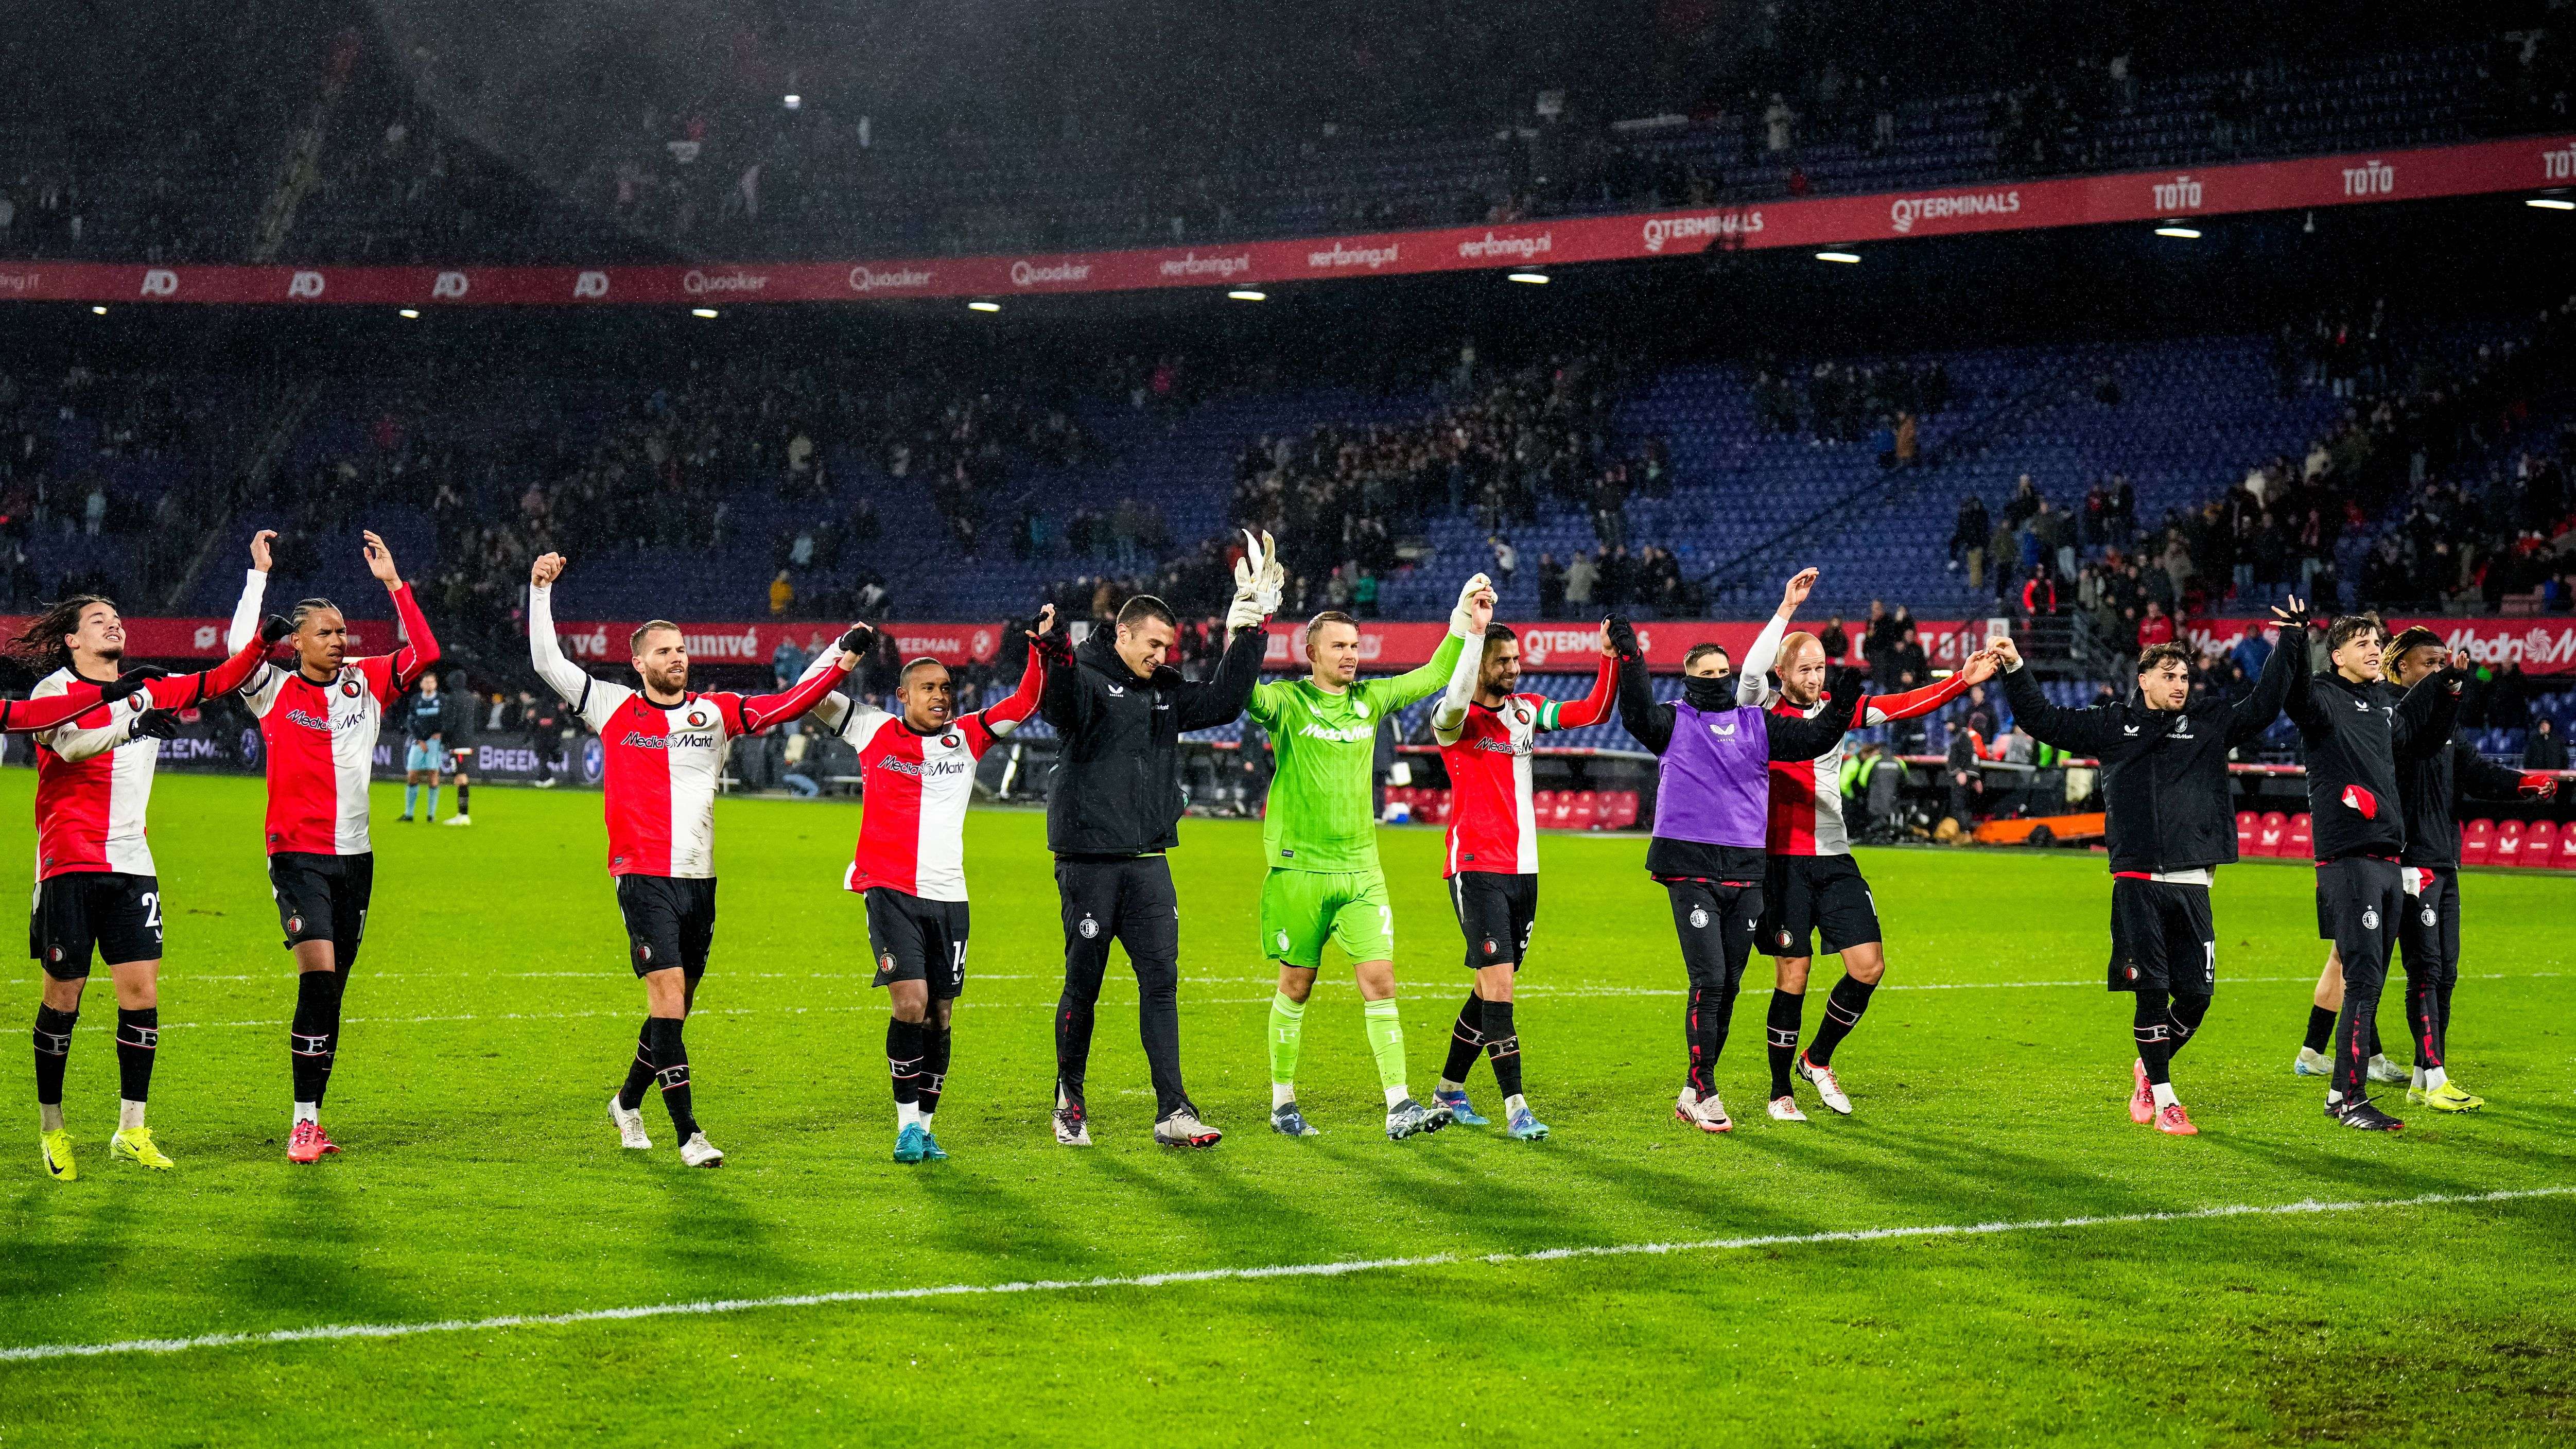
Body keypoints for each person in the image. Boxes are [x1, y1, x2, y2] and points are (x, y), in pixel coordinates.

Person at [526, 551, 857, 1169]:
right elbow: (548, 662)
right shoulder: (612, 706)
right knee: (669, 997)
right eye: (663, 651)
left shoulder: (718, 712)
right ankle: (689, 1134)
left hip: (700, 882)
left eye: (680, 649)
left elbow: (788, 703)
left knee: (673, 1013)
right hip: (643, 875)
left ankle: (627, 1102)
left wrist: (839, 656)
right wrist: (540, 590)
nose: (676, 657)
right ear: (639, 662)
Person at [1990, 601, 2303, 1136]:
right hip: (2136, 878)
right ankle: (2166, 1098)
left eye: (2184, 675)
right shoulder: (2116, 723)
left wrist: (2293, 640)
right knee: (2151, 990)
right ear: (2144, 679)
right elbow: (2043, 719)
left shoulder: (2207, 722)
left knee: (2197, 997)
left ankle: (2147, 1066)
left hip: (2192, 879)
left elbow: (2264, 705)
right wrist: (2017, 668)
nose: (2180, 683)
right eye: (2169, 675)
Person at [15, 597, 278, 1181]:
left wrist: (262, 645)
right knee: (64, 998)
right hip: (69, 861)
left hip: (133, 859)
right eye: (97, 620)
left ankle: (131, 1129)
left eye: (117, 617)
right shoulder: (52, 690)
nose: (114, 623)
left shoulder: (149, 688)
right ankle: (53, 1128)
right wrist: (130, 724)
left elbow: (218, 679)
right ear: (72, 641)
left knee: (142, 995)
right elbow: (70, 745)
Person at [1038, 532, 1275, 1148]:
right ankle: (1070, 1098)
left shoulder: (1163, 692)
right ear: (1123, 635)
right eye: (1153, 643)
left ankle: (1175, 1110)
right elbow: (1057, 705)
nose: (1161, 654)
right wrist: (1057, 655)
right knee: (1083, 984)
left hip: (1147, 861)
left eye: (1167, 646)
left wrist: (1249, 632)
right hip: (1089, 860)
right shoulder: (1086, 678)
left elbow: (1225, 701)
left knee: (1161, 984)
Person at [1735, 568, 1996, 1120]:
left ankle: (1818, 1058)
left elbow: (1902, 704)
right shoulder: (1758, 710)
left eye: (1820, 668)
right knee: (1794, 975)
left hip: (1835, 857)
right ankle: (1780, 1090)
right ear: (1783, 673)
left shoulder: (1836, 709)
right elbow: (1753, 666)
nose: (1814, 676)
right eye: (1804, 668)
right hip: (1782, 861)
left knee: (1868, 966)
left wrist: (1960, 682)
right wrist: (1786, 608)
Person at [797, 615, 1048, 1163]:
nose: (940, 697)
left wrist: (1037, 647)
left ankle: (928, 1129)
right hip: (889, 890)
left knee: (941, 1016)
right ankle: (906, 1126)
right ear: (902, 694)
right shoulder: (872, 728)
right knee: (910, 1004)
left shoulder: (970, 736)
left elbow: (1027, 701)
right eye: (929, 688)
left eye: (946, 689)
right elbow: (805, 696)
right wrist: (845, 652)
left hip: (951, 899)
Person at [227, 528, 440, 1164]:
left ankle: (314, 1118)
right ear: (297, 642)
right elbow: (239, 650)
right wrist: (257, 576)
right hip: (296, 853)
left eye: (343, 631)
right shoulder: (271, 689)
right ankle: (299, 1123)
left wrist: (394, 585)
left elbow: (425, 651)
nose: (340, 640)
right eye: (325, 632)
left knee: (334, 987)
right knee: (317, 973)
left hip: (356, 857)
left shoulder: (367, 683)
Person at [1254, 575, 1488, 1141]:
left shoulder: (1370, 700)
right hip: (1299, 872)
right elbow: (1240, 693)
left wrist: (1463, 622)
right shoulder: (1287, 702)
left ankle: (1399, 1104)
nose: (1351, 655)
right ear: (1310, 652)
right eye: (1339, 646)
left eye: (1356, 647)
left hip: (1361, 871)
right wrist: (1246, 630)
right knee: (1296, 986)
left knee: (1381, 981)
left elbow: (1433, 677)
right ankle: (1283, 1102)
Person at [2290, 626, 2557, 1110]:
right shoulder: (2383, 717)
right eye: (2428, 665)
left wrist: (2522, 783)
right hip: (2400, 861)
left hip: (2443, 858)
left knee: (2430, 970)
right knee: (2391, 968)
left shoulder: (2440, 723)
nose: (2438, 672)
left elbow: (2473, 769)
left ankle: (2411, 1069)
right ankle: (2403, 1074)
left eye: (2442, 664)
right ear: (2398, 669)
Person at [1613, 614, 1857, 1132]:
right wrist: (1631, 658)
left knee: (1729, 984)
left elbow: (1814, 737)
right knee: (1709, 978)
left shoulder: (1756, 723)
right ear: (1688, 676)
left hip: (1746, 868)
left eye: (1725, 671)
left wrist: (1848, 699)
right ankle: (1706, 1089)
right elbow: (1634, 712)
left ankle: (1691, 1089)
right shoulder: (1673, 719)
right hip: (1689, 865)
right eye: (1708, 673)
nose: (1719, 679)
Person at [1423, 620, 1618, 1141]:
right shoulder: (1454, 720)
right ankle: (1517, 1107)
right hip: (1477, 868)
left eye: (1516, 659)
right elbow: (1455, 697)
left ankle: (1448, 1090)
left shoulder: (1526, 710)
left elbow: (1593, 712)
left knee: (1488, 987)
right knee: (1501, 988)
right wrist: (1469, 637)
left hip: (1525, 871)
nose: (1514, 667)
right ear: (1480, 665)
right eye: (1503, 660)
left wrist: (1609, 658)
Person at [2282, 614, 2465, 1132]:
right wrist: (2296, 641)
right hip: (2350, 858)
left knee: (2369, 980)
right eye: (2363, 643)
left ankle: (2348, 1084)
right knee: (2361, 978)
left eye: (2376, 641)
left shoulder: (2385, 703)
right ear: (2337, 655)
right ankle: (2345, 1095)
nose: (2373, 648)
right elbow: (2293, 696)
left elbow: (2424, 742)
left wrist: (2449, 693)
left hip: (2390, 857)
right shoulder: (2321, 694)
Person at [396, 672, 446, 823]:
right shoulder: (416, 700)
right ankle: (409, 814)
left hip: (434, 742)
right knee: (412, 774)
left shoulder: (442, 700)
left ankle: (431, 815)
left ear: (436, 684)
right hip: (418, 741)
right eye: (427, 682)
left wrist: (440, 732)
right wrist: (419, 739)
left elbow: (447, 719)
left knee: (433, 774)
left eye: (432, 682)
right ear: (421, 685)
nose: (429, 685)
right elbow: (410, 721)